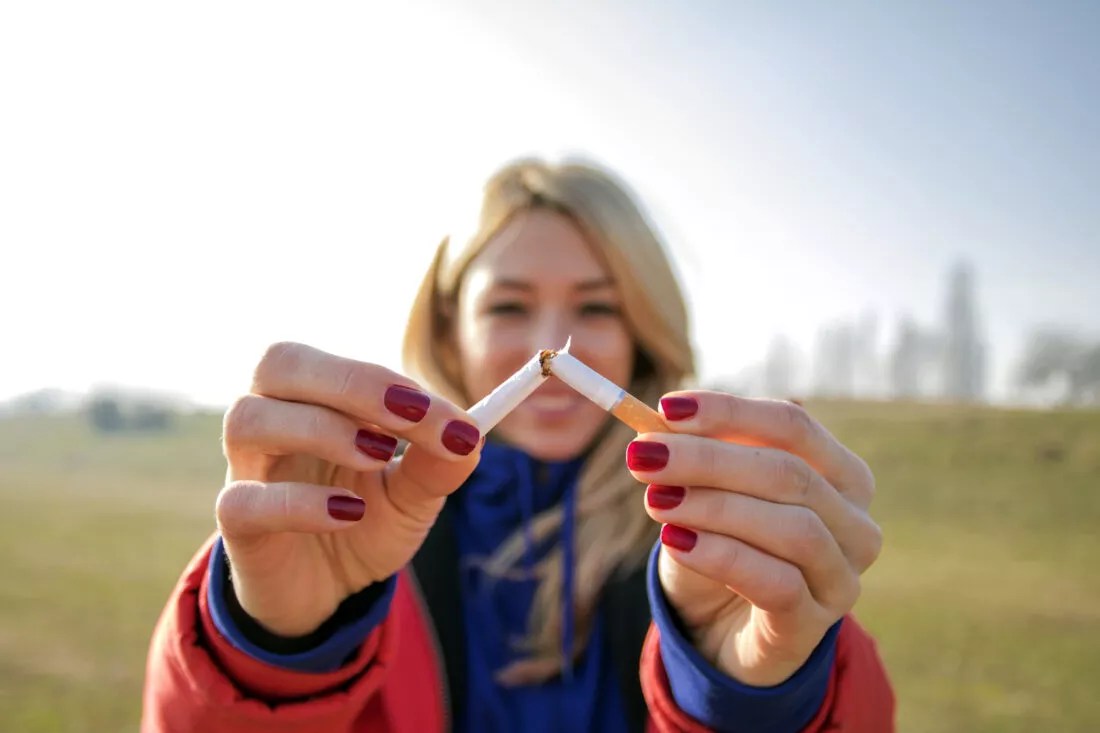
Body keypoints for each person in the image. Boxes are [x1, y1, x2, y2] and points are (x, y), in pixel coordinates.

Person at [141, 157, 895, 732]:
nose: (550, 350)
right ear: (447, 331)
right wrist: (272, 647)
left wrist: (752, 687)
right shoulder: (356, 521)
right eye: (508, 305)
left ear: (643, 332)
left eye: (596, 306)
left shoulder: (721, 538)